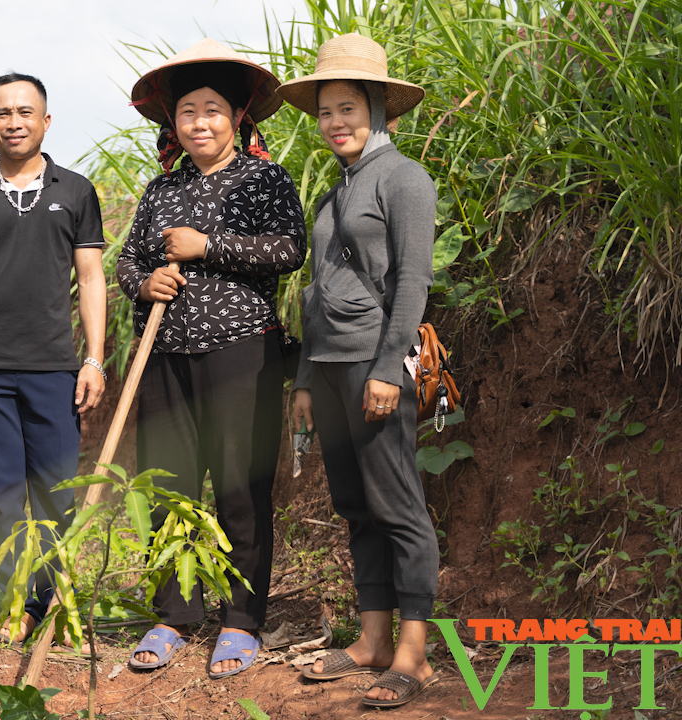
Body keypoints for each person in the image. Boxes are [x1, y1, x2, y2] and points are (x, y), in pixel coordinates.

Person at [117, 39, 305, 679]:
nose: (199, 122)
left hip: (243, 352)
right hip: (165, 351)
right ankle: (173, 614)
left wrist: (207, 246)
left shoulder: (263, 179)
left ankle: (241, 620)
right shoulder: (159, 190)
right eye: (188, 112)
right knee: (167, 482)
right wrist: (145, 284)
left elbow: (288, 250)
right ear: (173, 124)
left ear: (236, 119)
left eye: (212, 111)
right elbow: (126, 263)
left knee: (239, 486)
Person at [278, 33, 440, 708]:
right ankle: (371, 640)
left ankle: (412, 655)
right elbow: (318, 292)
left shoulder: (404, 178)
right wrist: (307, 382)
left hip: (377, 367)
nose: (336, 122)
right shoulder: (335, 191)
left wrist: (384, 369)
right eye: (325, 111)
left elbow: (412, 284)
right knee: (357, 507)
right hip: (332, 368)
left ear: (379, 110)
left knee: (399, 506)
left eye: (348, 107)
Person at [0, 72, 106, 643]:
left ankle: (52, 599)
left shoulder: (76, 191)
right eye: (3, 113)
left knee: (55, 490)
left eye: (26, 112)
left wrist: (95, 359)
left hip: (55, 367)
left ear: (46, 121)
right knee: (3, 491)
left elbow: (90, 278)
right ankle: (16, 601)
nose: (15, 121)